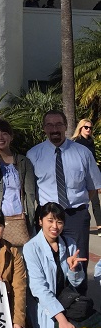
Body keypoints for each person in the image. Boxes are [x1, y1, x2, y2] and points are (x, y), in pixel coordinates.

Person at [23, 202, 101, 328]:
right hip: (47, 308)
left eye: (59, 222)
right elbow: (39, 289)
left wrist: (74, 270)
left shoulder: (69, 242)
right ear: (40, 221)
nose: (55, 226)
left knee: (97, 322)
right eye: (50, 220)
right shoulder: (31, 248)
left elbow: (77, 283)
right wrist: (62, 321)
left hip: (69, 303)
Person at [26, 110, 101, 266]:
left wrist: (79, 203)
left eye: (59, 124)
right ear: (44, 128)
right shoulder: (33, 155)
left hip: (76, 216)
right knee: (49, 263)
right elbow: (28, 188)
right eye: (50, 125)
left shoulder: (83, 153)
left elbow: (93, 186)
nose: (55, 129)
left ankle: (77, 291)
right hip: (48, 216)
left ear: (66, 126)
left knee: (78, 262)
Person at [0, 118, 37, 234]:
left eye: (5, 134)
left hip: (18, 218)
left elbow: (30, 194)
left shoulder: (23, 162)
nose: (0, 137)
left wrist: (30, 223)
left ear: (11, 137)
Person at [71, 118, 101, 234]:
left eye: (90, 128)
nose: (89, 129)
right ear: (80, 128)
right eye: (86, 127)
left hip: (91, 175)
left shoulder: (91, 142)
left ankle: (99, 226)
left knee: (95, 201)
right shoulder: (76, 142)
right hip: (80, 176)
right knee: (82, 202)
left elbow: (93, 160)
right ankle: (79, 225)